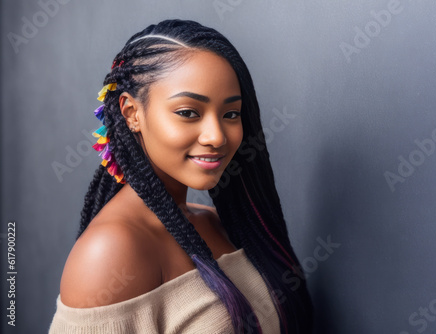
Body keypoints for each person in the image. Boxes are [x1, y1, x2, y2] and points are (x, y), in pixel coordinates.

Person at [48, 19, 313, 334]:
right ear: (132, 113)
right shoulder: (110, 252)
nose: (216, 136)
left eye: (231, 114)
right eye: (189, 112)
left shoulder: (218, 223)